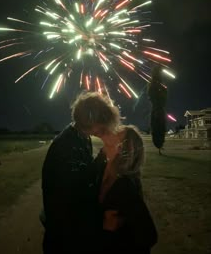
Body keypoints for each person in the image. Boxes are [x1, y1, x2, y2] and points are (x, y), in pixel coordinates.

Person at [41, 91, 120, 254]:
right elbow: (78, 194)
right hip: (65, 237)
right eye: (101, 123)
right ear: (90, 121)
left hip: (72, 230)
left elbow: (87, 172)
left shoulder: (82, 137)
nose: (104, 127)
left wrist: (105, 152)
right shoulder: (66, 146)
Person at [94, 124, 158, 253]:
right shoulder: (101, 166)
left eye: (115, 132)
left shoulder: (125, 187)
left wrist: (108, 230)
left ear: (121, 148)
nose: (110, 131)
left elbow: (149, 236)